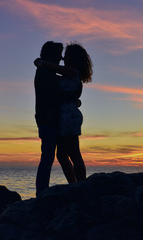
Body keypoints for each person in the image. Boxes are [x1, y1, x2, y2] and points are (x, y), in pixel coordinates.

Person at [34, 42, 93, 184]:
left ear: (73, 58)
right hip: (63, 117)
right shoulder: (63, 74)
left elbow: (56, 69)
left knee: (73, 153)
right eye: (61, 55)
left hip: (69, 116)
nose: (62, 58)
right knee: (61, 155)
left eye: (65, 55)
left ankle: (81, 185)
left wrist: (41, 62)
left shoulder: (72, 72)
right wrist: (74, 99)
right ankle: (74, 184)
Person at [34, 41, 63, 196]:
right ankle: (41, 192)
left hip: (50, 119)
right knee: (48, 156)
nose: (61, 57)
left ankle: (42, 190)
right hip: (48, 120)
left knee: (52, 155)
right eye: (58, 54)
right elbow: (54, 94)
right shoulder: (44, 72)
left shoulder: (46, 71)